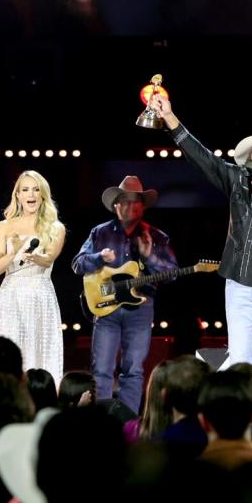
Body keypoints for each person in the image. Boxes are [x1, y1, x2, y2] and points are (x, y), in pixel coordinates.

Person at [148, 92, 252, 365]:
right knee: (239, 360)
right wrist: (169, 117)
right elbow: (202, 158)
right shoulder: (238, 180)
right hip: (238, 283)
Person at [70, 176, 177, 412]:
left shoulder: (156, 237)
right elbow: (77, 264)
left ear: (142, 206)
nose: (129, 206)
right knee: (101, 369)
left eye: (134, 202)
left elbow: (171, 273)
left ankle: (127, 423)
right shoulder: (99, 233)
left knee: (134, 369)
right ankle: (102, 423)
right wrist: (99, 258)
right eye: (124, 201)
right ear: (115, 205)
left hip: (140, 309)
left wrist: (150, 257)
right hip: (106, 309)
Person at [0, 170, 65, 385]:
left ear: (42, 195)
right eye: (25, 189)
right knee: (8, 356)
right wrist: (13, 252)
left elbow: (49, 258)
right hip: (10, 297)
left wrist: (35, 256)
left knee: (39, 355)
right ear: (18, 196)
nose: (30, 194)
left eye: (35, 189)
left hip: (40, 296)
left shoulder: (55, 228)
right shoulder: (4, 226)